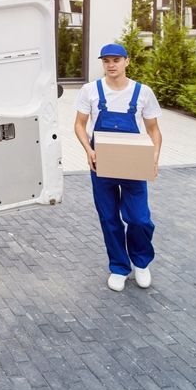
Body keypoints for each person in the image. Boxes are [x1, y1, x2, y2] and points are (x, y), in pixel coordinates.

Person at [73, 43, 163, 292]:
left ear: (127, 61)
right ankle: (119, 268)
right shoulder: (90, 90)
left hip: (134, 162)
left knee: (139, 219)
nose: (111, 65)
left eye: (116, 60)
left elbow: (154, 130)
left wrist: (153, 159)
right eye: (106, 61)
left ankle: (142, 263)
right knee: (110, 218)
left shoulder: (143, 92)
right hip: (101, 162)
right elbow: (80, 125)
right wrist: (88, 151)